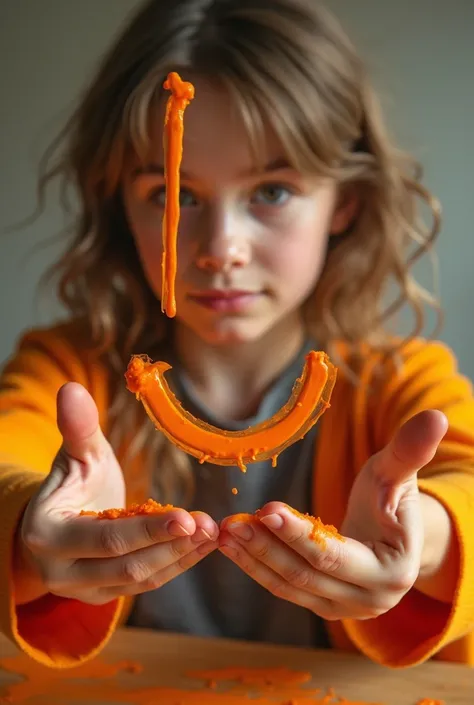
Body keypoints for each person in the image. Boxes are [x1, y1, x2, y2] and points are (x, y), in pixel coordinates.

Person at [1, 0, 473, 671]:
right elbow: (6, 462)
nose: (220, 248)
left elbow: (467, 481)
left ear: (345, 202)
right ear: (120, 205)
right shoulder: (68, 369)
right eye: (174, 194)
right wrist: (27, 529)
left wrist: (425, 535)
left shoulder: (398, 382)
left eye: (271, 191)